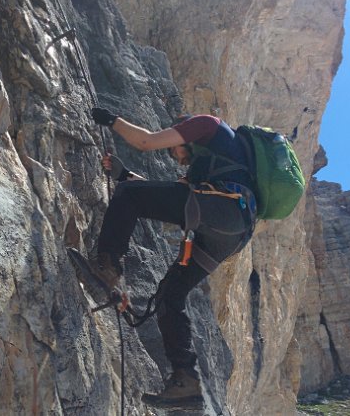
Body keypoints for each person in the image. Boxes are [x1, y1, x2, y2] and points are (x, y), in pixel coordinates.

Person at [89, 107, 257, 409]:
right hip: (230, 231)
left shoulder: (206, 125)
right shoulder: (205, 170)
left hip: (224, 211)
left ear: (183, 132)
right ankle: (185, 382)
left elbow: (145, 141)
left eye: (173, 151)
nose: (175, 157)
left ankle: (108, 266)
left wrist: (112, 120)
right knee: (170, 294)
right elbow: (157, 196)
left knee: (128, 196)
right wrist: (123, 174)